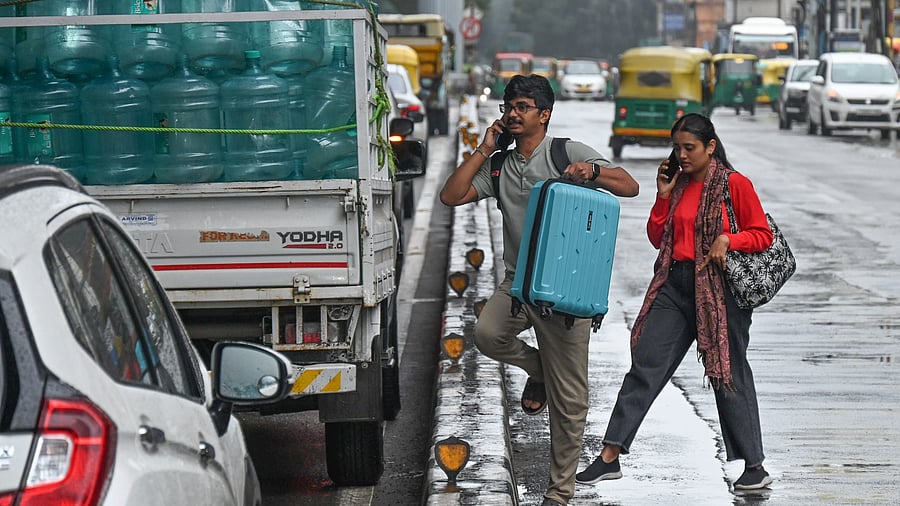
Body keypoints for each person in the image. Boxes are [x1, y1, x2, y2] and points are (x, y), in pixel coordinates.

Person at [439, 74, 639, 506]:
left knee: (570, 404)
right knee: (487, 334)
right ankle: (540, 370)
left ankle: (559, 493)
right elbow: (451, 196)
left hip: (566, 287)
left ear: (544, 115)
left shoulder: (566, 152)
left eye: (523, 106)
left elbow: (630, 186)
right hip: (518, 284)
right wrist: (483, 148)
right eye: (509, 106)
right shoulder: (499, 165)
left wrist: (594, 172)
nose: (513, 113)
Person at [574, 113, 775, 491]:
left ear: (710, 147)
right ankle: (609, 456)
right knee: (645, 364)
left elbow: (761, 234)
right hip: (675, 283)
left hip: (719, 291)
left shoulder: (735, 184)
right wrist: (663, 195)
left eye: (690, 148)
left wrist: (729, 240)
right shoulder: (678, 183)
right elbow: (657, 236)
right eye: (677, 148)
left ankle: (754, 465)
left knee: (727, 372)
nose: (682, 155)